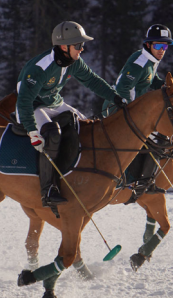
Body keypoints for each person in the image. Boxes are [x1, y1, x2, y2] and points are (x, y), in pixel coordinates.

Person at [16, 21, 126, 207]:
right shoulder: (40, 67)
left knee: (87, 127)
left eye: (82, 45)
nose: (81, 49)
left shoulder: (73, 62)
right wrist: (33, 132)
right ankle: (48, 190)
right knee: (51, 134)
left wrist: (115, 98)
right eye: (78, 45)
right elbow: (24, 101)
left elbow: (92, 80)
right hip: (32, 107)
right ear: (63, 46)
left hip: (54, 103)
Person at [101, 24, 173, 197]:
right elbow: (123, 87)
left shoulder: (151, 60)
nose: (162, 50)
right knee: (149, 140)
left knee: (154, 140)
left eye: (165, 46)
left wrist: (164, 86)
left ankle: (144, 182)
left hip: (131, 109)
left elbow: (151, 80)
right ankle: (131, 180)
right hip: (117, 109)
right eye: (158, 45)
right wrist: (134, 112)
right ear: (148, 45)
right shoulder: (140, 62)